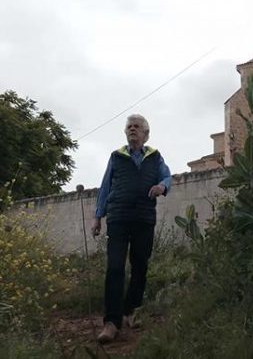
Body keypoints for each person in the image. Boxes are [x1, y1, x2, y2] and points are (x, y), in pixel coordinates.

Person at [91, 113, 172, 344]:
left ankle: (131, 310)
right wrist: (98, 217)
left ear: (145, 133)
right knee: (115, 266)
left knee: (140, 266)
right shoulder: (117, 157)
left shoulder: (155, 157)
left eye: (137, 127)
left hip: (144, 218)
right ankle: (111, 322)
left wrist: (161, 186)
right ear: (126, 132)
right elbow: (105, 187)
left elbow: (167, 177)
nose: (133, 129)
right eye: (129, 126)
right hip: (118, 217)